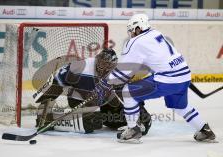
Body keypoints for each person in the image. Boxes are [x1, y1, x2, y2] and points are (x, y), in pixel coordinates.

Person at [94, 14, 216, 143]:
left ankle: (133, 131)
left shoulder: (136, 41)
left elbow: (125, 70)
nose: (131, 34)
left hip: (168, 79)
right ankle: (204, 130)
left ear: (138, 28)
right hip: (184, 76)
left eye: (131, 30)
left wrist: (106, 82)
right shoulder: (156, 33)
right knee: (180, 106)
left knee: (127, 92)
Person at [34, 48, 152, 135]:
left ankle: (99, 118)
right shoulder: (80, 67)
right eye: (101, 65)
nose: (104, 69)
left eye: (108, 67)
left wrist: (140, 112)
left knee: (136, 121)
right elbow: (57, 82)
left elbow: (129, 95)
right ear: (96, 60)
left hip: (103, 102)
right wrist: (44, 108)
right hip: (80, 100)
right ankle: (53, 121)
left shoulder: (118, 73)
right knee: (91, 122)